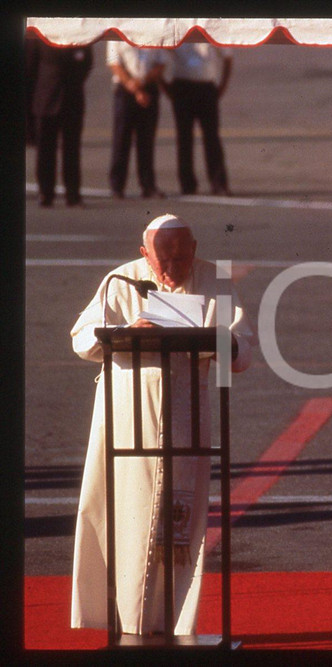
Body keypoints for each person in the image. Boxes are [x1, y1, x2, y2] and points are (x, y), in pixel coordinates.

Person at [70, 214, 255, 636]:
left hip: (186, 412)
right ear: (144, 254)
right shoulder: (121, 281)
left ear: (194, 248)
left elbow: (242, 349)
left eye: (182, 254)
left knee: (178, 520)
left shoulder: (215, 281)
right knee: (125, 513)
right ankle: (125, 621)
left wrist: (219, 339)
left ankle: (173, 623)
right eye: (164, 256)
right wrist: (124, 329)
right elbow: (81, 338)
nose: (174, 265)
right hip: (126, 414)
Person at [25, 39, 93, 207]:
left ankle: (73, 194)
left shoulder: (79, 36)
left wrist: (74, 80)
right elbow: (29, 69)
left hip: (72, 99)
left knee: (72, 149)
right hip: (46, 98)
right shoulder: (40, 37)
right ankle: (45, 193)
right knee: (45, 150)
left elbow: (87, 63)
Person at [163, 43, 233, 196]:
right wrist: (165, 86)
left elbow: (227, 57)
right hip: (182, 85)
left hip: (206, 86)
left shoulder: (210, 27)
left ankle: (218, 183)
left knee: (212, 137)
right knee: (184, 138)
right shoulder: (179, 26)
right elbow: (158, 53)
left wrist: (222, 86)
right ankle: (187, 185)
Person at [106, 42, 167, 199]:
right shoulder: (117, 34)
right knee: (121, 138)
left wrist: (142, 83)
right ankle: (117, 185)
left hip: (148, 86)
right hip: (125, 90)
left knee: (146, 139)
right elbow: (114, 63)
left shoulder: (154, 32)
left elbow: (161, 63)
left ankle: (148, 185)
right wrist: (131, 84)